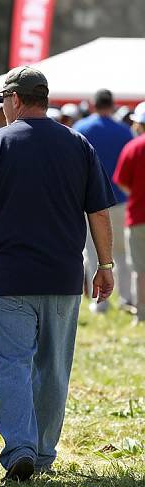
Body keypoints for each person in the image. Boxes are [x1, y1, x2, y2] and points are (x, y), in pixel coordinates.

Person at [0, 66, 116, 481]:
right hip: (64, 278)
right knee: (53, 369)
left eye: (2, 101)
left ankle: (20, 448)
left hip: (9, 278)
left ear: (15, 99)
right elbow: (98, 211)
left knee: (11, 366)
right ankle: (43, 453)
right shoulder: (78, 144)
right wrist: (106, 264)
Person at [74, 89, 134, 313]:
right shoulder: (124, 131)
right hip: (119, 199)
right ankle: (127, 299)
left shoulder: (81, 129)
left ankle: (99, 302)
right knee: (122, 251)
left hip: (90, 201)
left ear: (92, 104)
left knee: (92, 251)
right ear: (112, 104)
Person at [113, 102, 145, 323]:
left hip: (138, 217)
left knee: (140, 270)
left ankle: (141, 314)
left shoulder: (133, 147)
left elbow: (122, 183)